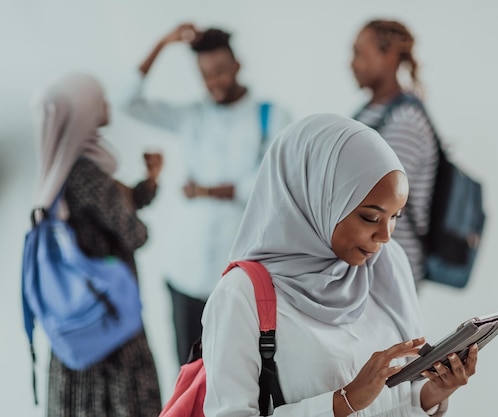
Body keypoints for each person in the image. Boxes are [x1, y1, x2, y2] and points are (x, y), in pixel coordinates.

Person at [201, 114, 478, 416]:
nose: (385, 236)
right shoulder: (241, 294)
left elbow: (401, 397)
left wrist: (432, 394)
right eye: (370, 217)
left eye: (395, 216)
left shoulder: (387, 264)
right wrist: (344, 401)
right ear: (317, 198)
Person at [119, 23, 292, 365]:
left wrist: (208, 189)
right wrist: (162, 42)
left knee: (239, 374)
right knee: (187, 375)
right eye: (206, 74)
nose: (214, 81)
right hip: (185, 274)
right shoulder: (191, 116)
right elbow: (127, 102)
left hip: (238, 278)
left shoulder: (271, 116)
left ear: (237, 65)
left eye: (221, 71)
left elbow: (277, 186)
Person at [32, 73, 163, 417]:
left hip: (82, 320)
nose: (106, 105)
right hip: (110, 323)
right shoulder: (87, 173)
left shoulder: (61, 166)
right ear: (82, 111)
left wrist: (147, 185)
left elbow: (111, 211)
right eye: (99, 100)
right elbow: (134, 233)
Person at [352, 20, 439, 287]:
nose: (352, 63)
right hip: (369, 259)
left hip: (389, 265)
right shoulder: (370, 111)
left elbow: (382, 193)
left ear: (388, 56)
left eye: (360, 54)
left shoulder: (405, 120)